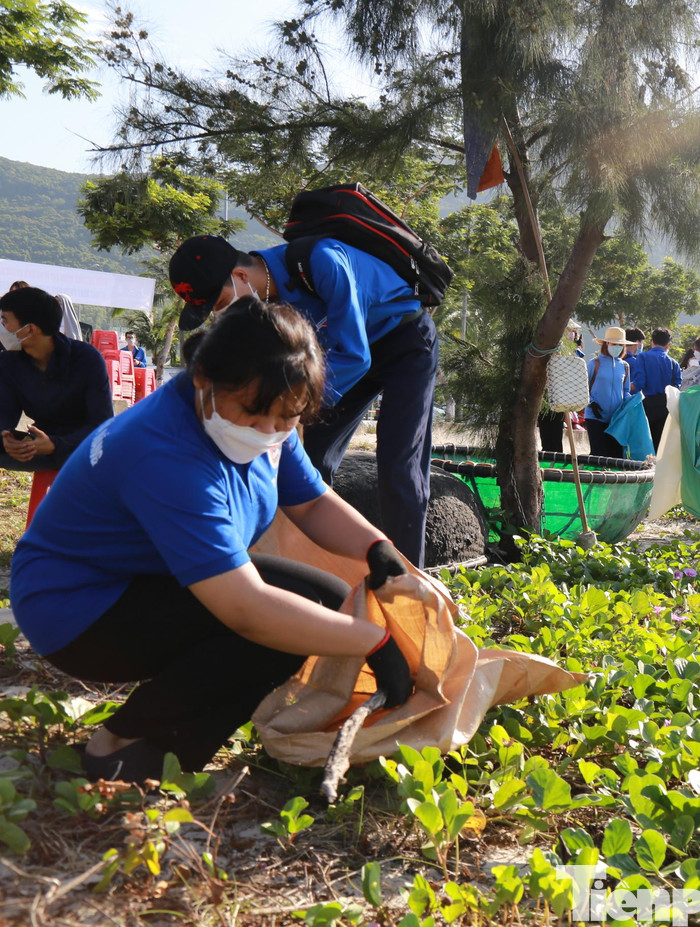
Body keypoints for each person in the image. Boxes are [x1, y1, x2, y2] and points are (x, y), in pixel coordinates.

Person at [9, 298, 416, 782]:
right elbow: (247, 609)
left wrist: (376, 548)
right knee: (275, 632)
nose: (267, 432)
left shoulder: (267, 403)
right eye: (252, 414)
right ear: (203, 378)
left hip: (145, 575)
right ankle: (127, 748)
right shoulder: (162, 454)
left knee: (323, 601)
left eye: (286, 420)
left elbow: (309, 501)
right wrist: (376, 642)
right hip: (76, 608)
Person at [169, 233, 438, 569]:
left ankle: (409, 580)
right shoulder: (264, 305)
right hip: (341, 356)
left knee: (400, 465)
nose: (220, 314)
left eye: (220, 304)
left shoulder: (321, 262)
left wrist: (286, 408)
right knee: (310, 456)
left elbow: (355, 356)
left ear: (239, 276)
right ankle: (315, 570)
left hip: (404, 341)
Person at [0, 287, 113, 473]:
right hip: (40, 442)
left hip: (84, 443)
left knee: (98, 449)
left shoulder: (86, 358)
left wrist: (55, 444)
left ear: (29, 329)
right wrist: (7, 438)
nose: (2, 327)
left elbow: (102, 424)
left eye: (4, 321)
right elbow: (4, 414)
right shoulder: (8, 362)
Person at [584, 326, 636, 458]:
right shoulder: (593, 364)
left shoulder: (624, 366)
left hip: (616, 419)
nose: (617, 347)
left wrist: (632, 403)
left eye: (620, 344)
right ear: (606, 343)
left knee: (615, 455)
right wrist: (591, 403)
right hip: (595, 416)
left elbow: (626, 391)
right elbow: (583, 388)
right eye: (614, 344)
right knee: (598, 454)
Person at [628, 327, 681, 448]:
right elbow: (677, 388)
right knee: (663, 443)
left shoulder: (643, 357)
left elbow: (639, 383)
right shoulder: (674, 363)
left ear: (652, 342)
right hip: (667, 406)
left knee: (648, 441)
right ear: (669, 344)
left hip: (648, 405)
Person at [539, 320, 585, 454]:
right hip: (547, 394)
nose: (572, 334)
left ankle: (556, 454)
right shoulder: (551, 349)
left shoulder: (574, 352)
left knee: (557, 430)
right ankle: (547, 454)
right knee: (546, 428)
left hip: (563, 394)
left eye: (573, 332)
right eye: (569, 331)